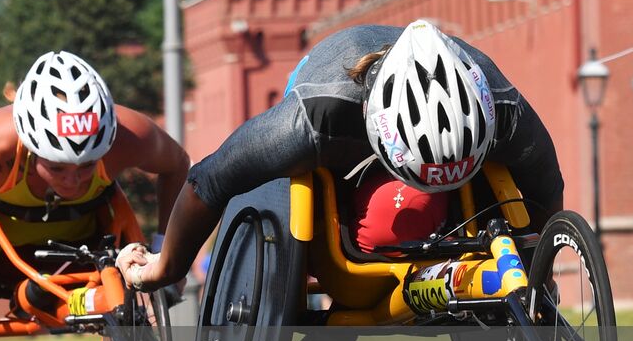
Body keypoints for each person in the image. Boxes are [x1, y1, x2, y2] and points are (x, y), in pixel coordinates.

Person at [118, 20, 564, 291]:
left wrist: (536, 275)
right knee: (370, 216)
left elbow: (548, 189)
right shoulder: (312, 118)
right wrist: (165, 267)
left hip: (456, 129)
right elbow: (207, 181)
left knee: (480, 187)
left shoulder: (504, 111)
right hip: (331, 83)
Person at [0, 50, 190, 320]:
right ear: (29, 147)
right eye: (56, 168)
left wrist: (167, 251)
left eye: (86, 166)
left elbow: (178, 166)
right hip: (3, 261)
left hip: (89, 249)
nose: (72, 180)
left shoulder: (129, 138)